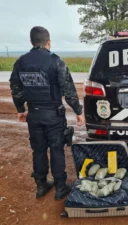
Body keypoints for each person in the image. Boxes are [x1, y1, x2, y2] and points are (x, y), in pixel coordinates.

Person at [9, 26, 85, 200]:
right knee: (57, 149)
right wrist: (78, 112)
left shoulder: (20, 62)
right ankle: (60, 187)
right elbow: (69, 90)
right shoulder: (55, 61)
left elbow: (15, 89)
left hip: (34, 115)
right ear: (48, 42)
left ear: (31, 42)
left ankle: (41, 185)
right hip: (53, 115)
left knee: (38, 150)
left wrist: (21, 109)